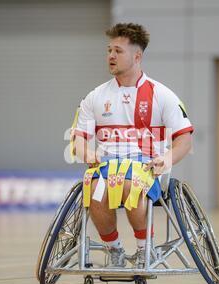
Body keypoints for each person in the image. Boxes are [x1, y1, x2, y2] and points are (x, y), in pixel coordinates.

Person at [72, 23, 193, 268]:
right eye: (109, 50)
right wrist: (89, 153)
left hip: (146, 166)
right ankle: (114, 249)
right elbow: (78, 140)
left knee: (129, 185)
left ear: (137, 56)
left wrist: (166, 159)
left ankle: (142, 249)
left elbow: (184, 140)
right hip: (106, 166)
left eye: (118, 51)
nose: (111, 56)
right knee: (96, 191)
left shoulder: (162, 94)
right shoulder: (94, 97)